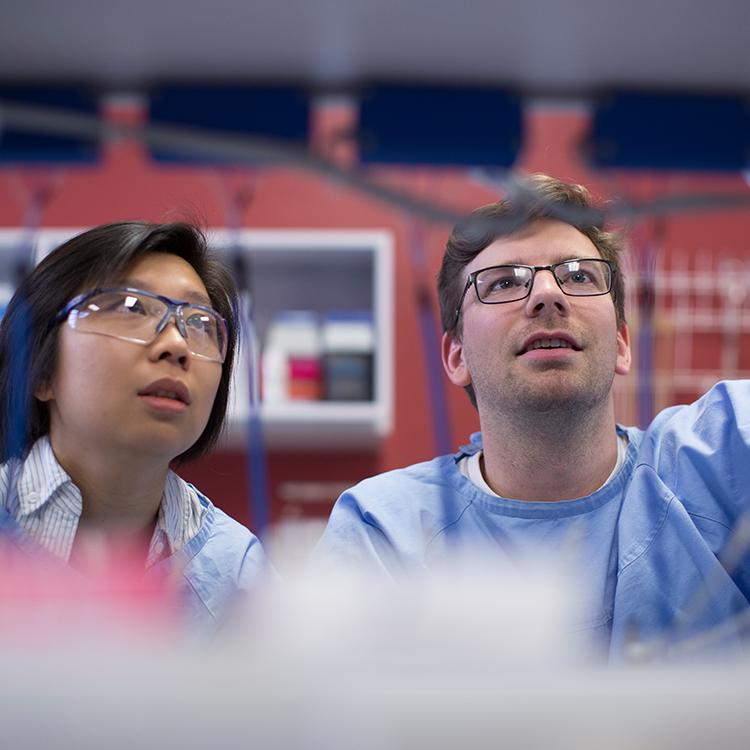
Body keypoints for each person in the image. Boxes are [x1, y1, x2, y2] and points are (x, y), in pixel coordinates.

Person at [309, 174, 750, 662]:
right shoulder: (383, 535)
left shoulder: (724, 454)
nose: (546, 296)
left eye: (579, 275)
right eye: (503, 283)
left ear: (622, 342)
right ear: (456, 357)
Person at [0, 220, 276, 642]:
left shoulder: (237, 572)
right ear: (39, 370)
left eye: (201, 322)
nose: (178, 345)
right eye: (131, 307)